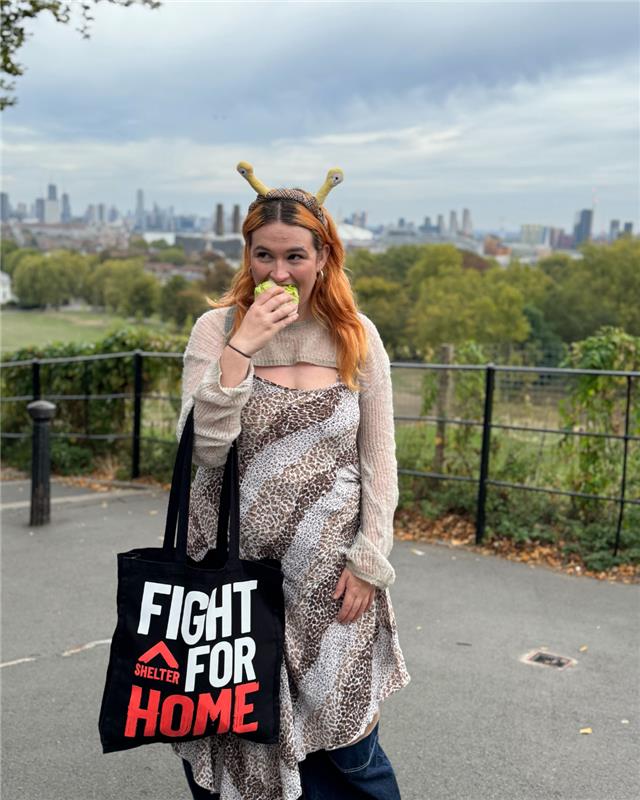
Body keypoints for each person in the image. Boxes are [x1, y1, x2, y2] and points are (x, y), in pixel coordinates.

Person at [174, 163, 410, 800]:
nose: (279, 273)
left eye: (295, 256)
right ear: (246, 255)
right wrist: (241, 349)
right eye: (264, 256)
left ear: (324, 255)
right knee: (242, 730)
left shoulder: (356, 337)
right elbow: (203, 453)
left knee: (351, 750)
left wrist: (369, 559)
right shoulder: (215, 330)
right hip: (235, 576)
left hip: (334, 582)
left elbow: (378, 463)